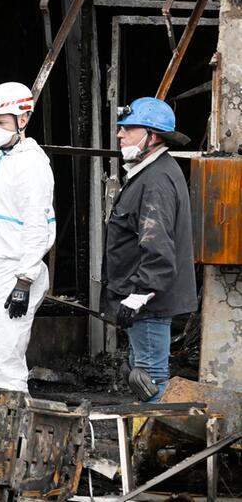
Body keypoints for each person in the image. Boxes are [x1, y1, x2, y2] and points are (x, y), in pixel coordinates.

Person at [102, 97, 196, 403]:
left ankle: (150, 448)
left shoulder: (155, 180)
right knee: (143, 377)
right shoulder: (149, 174)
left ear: (153, 136)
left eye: (128, 129)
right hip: (144, 303)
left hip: (149, 305)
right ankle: (145, 445)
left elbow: (158, 248)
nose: (120, 135)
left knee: (150, 381)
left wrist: (138, 295)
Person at [0, 81, 56, 393]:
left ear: (24, 118)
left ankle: (15, 431)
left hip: (16, 272)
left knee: (6, 362)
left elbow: (36, 227)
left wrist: (24, 281)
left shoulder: (32, 165)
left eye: (1, 122)